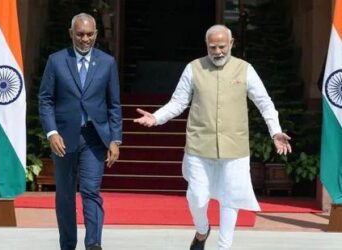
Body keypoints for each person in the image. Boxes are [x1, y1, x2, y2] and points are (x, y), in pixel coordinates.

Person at [134, 24, 292, 250]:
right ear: (206, 46)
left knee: (230, 200)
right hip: (199, 145)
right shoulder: (193, 68)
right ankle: (202, 229)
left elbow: (264, 102)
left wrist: (275, 131)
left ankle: (223, 246)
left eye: (222, 47)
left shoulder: (244, 69)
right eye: (213, 47)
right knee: (196, 197)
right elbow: (179, 102)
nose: (218, 52)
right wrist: (157, 117)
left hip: (234, 147)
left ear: (231, 44)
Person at [38, 13, 122, 250]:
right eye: (80, 34)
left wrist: (115, 139)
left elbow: (113, 104)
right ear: (71, 33)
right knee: (65, 195)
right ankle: (68, 245)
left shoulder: (106, 62)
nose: (85, 39)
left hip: (95, 138)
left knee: (91, 191)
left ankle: (93, 243)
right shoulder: (56, 61)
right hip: (63, 139)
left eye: (89, 34)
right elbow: (45, 99)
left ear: (96, 34)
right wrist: (51, 132)